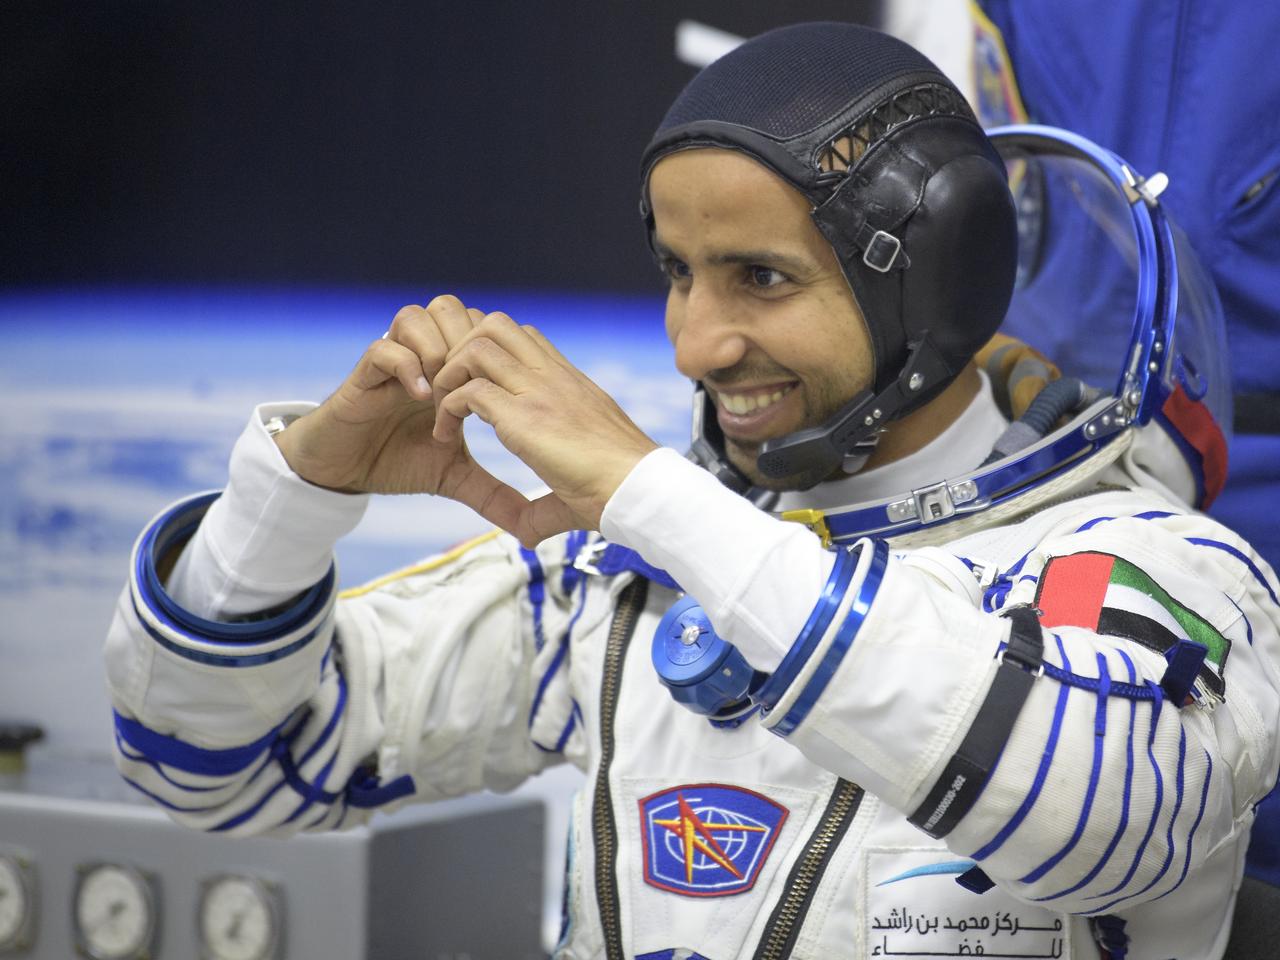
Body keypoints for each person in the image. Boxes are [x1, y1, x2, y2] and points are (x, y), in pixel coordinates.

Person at [105, 22, 1280, 960]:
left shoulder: (1161, 568)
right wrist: (294, 497)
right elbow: (216, 767)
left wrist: (650, 495)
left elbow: (1094, 815)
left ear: (933, 280)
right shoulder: (619, 584)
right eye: (676, 272)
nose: (693, 345)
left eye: (757, 278)